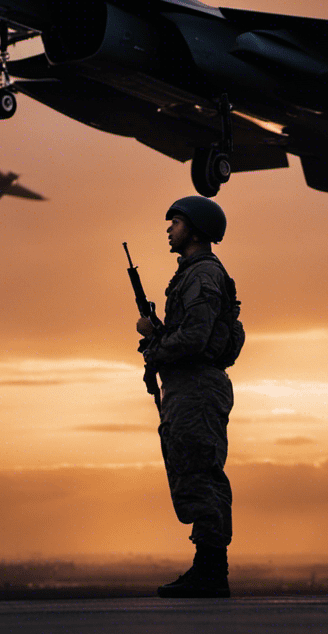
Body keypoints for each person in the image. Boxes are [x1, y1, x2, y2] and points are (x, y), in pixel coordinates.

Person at [136, 196, 243, 598]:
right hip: (189, 386)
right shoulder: (195, 274)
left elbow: (196, 337)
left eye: (176, 222)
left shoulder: (201, 275)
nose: (169, 229)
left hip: (196, 387)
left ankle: (212, 572)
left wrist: (154, 343)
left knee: (200, 472)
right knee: (193, 470)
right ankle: (207, 568)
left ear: (195, 230)